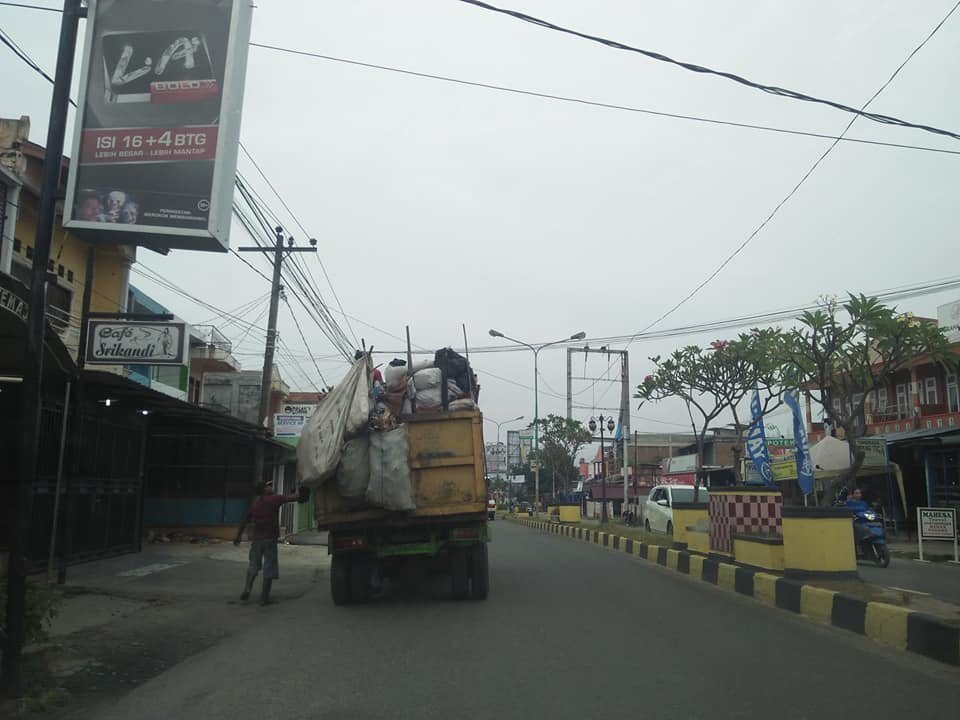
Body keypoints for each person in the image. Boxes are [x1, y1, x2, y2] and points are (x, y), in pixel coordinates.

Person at [234, 480, 300, 605]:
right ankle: (264, 598)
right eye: (268, 486)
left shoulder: (255, 503)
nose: (270, 487)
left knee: (253, 564)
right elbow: (296, 497)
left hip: (257, 539)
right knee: (269, 567)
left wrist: (237, 536)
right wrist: (298, 487)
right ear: (264, 490)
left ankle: (248, 588)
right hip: (270, 539)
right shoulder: (274, 499)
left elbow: (245, 520)